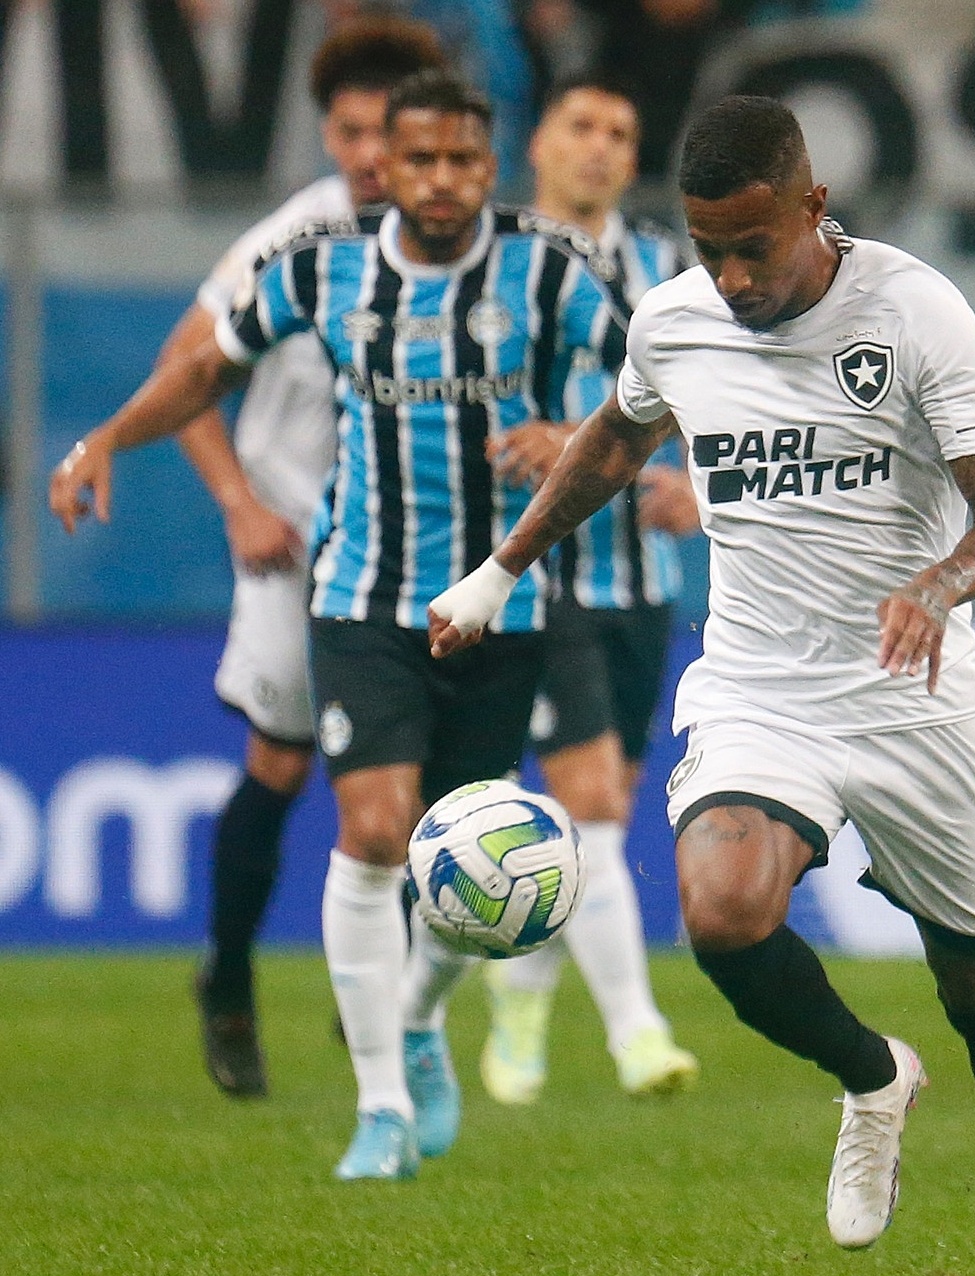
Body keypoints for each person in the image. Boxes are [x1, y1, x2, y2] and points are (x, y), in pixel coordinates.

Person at [428, 95, 975, 1276]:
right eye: (706, 248)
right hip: (760, 687)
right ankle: (870, 1077)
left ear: (813, 208)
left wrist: (935, 586)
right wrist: (500, 571)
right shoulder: (676, 322)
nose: (730, 277)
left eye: (754, 246)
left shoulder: (914, 312)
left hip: (913, 695)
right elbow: (616, 442)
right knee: (724, 913)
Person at [50, 71, 628, 1183]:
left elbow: (648, 386)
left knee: (456, 878)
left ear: (488, 162)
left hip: (497, 600)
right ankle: (376, 1109)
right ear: (388, 167)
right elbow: (206, 367)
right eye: (422, 161)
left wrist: (562, 430)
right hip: (360, 595)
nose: (443, 180)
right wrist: (107, 441)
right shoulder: (321, 264)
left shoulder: (548, 271)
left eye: (464, 159)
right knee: (373, 828)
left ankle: (417, 1022)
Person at [147, 16, 446, 1102]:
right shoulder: (290, 240)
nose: (368, 153)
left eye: (388, 131)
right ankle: (226, 980)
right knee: (280, 764)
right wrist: (236, 504)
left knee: (415, 784)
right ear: (328, 131)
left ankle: (388, 1001)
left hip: (413, 553)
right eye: (350, 129)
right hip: (295, 542)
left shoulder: (462, 241)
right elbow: (183, 371)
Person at [469, 72, 702, 1103]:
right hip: (541, 574)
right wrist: (569, 448)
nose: (601, 147)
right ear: (541, 146)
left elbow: (722, 388)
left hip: (640, 582)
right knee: (593, 807)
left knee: (583, 822)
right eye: (581, 127)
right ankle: (635, 1034)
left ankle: (517, 1007)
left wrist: (696, 486)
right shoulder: (492, 261)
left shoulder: (663, 263)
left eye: (619, 130)